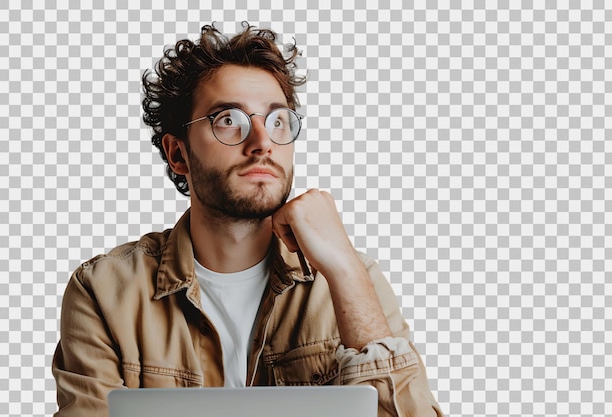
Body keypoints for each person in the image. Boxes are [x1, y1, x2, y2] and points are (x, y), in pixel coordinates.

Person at [52, 23, 442, 417]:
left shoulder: (352, 279)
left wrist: (346, 270)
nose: (262, 143)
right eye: (228, 120)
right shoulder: (103, 292)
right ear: (178, 154)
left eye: (277, 122)